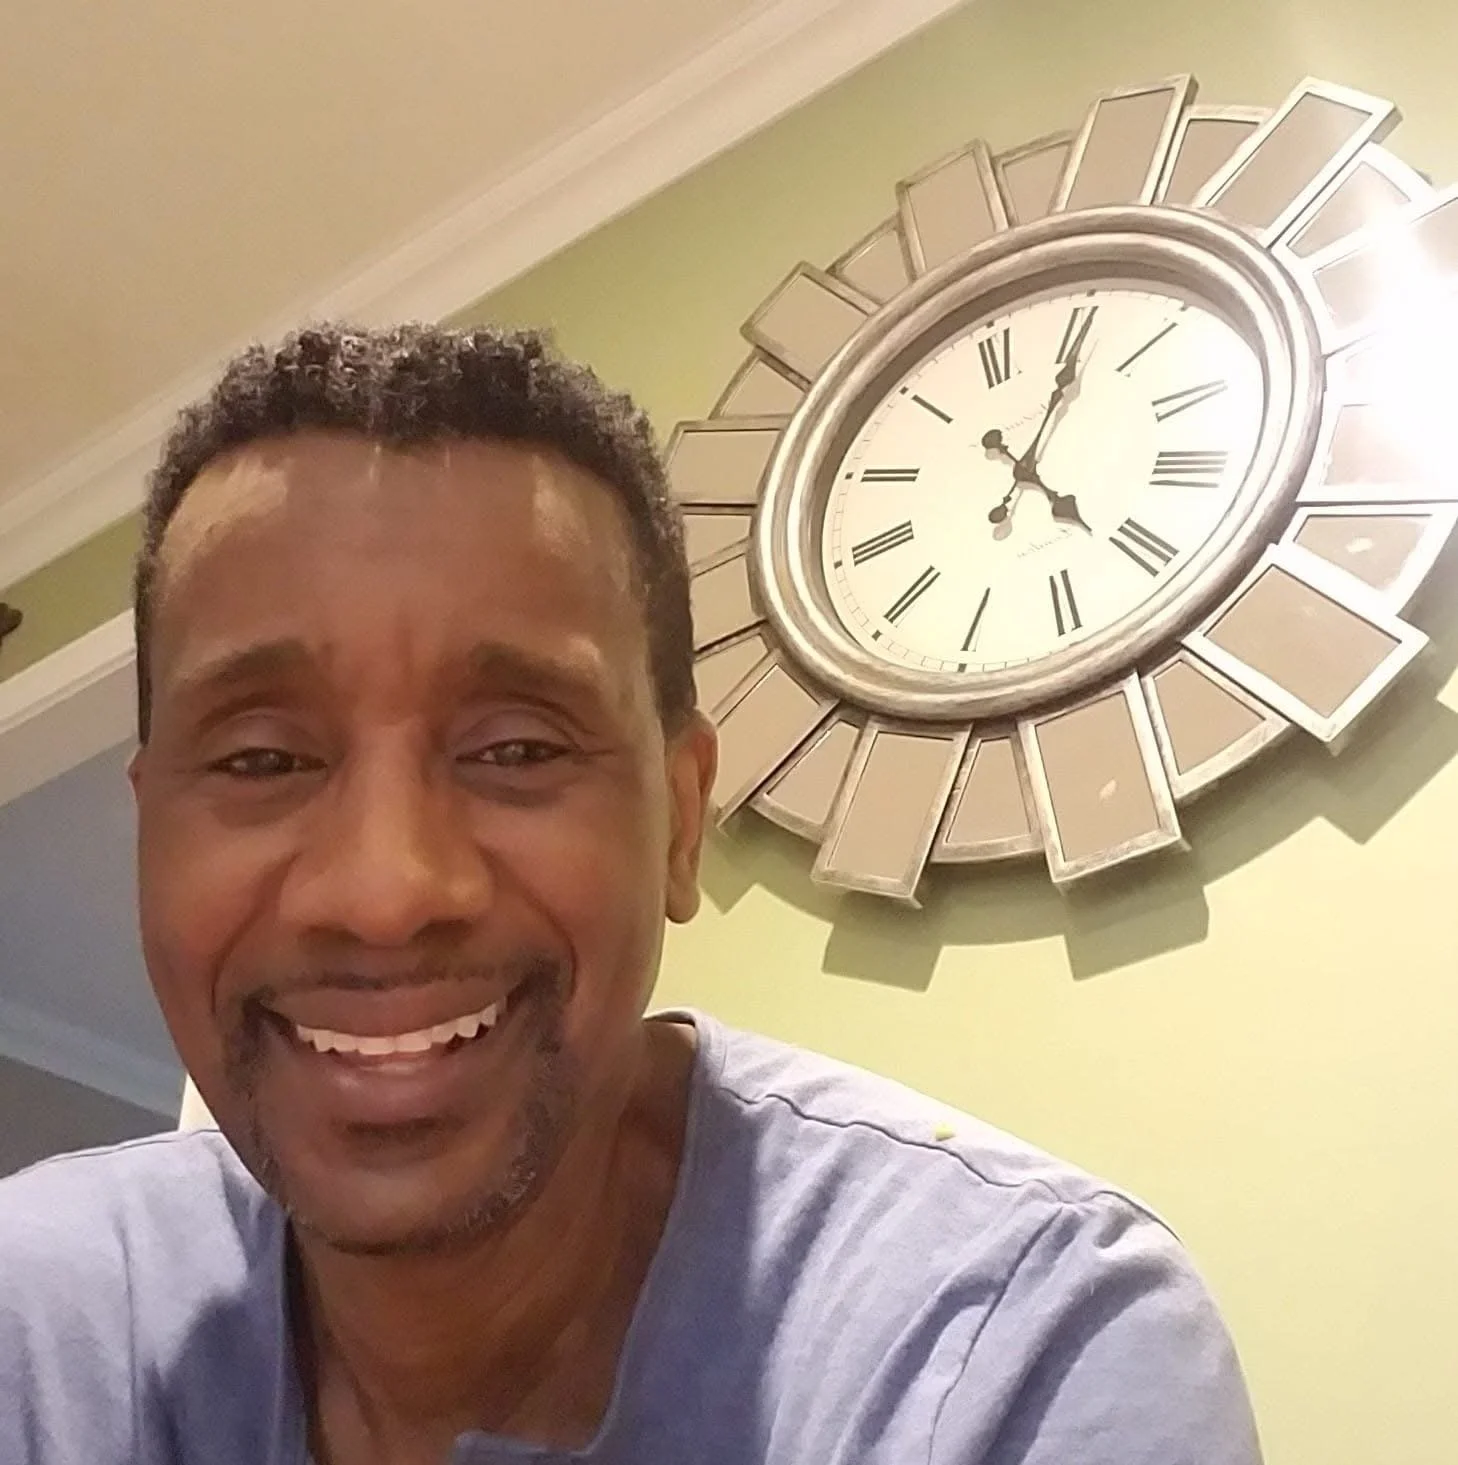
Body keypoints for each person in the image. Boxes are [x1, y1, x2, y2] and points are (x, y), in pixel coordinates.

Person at [0, 324, 1262, 1465]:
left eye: (517, 749)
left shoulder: (1016, 1349)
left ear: (679, 820)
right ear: (148, 831)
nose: (385, 892)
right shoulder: (38, 1317)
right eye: (263, 759)